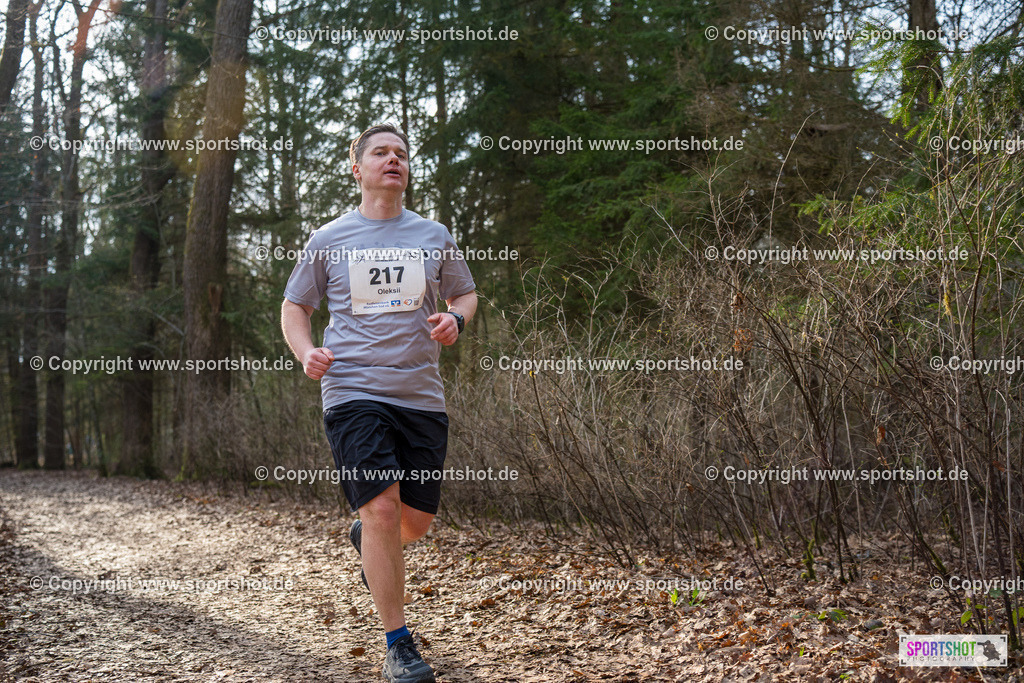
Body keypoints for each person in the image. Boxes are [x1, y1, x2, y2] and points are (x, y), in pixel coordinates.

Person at [281, 123, 477, 683]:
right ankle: (399, 644)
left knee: (413, 522)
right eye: (381, 153)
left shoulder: (433, 234)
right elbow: (295, 307)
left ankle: (368, 541)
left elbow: (465, 292)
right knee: (383, 509)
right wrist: (306, 352)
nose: (394, 160)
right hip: (352, 392)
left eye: (401, 154)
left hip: (420, 396)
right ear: (357, 167)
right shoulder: (329, 238)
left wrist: (455, 318)